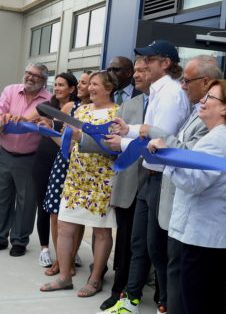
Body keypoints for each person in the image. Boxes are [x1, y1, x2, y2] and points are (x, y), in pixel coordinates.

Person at [148, 79, 226, 314]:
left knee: (196, 305)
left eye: (209, 98)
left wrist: (166, 156)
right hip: (205, 237)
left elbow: (194, 183)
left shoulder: (218, 140)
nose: (202, 102)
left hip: (204, 239)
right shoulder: (221, 137)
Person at [102, 40, 190, 314]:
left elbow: (161, 140)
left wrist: (124, 143)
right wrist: (128, 129)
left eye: (149, 61)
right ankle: (131, 299)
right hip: (150, 178)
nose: (143, 66)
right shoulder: (159, 93)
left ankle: (166, 304)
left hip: (162, 180)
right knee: (140, 244)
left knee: (158, 250)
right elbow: (148, 131)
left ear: (165, 63)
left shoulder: (171, 94)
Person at [147, 55, 223, 314]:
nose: (182, 86)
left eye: (186, 81)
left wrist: (155, 136)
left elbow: (190, 160)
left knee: (183, 284)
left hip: (193, 218)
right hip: (177, 213)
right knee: (169, 267)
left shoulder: (215, 124)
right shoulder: (197, 110)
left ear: (206, 81)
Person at [80, 58, 152, 310]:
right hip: (128, 184)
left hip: (158, 186)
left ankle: (160, 297)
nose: (138, 75)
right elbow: (111, 139)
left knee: (153, 247)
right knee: (125, 244)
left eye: (144, 70)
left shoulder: (173, 103)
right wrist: (80, 136)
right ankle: (120, 291)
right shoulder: (129, 104)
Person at [40, 71, 119, 298]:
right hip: (75, 178)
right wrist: (49, 131)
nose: (90, 88)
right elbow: (68, 144)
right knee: (64, 227)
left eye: (95, 85)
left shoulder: (117, 114)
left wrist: (78, 137)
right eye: (90, 84)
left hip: (101, 180)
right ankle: (64, 277)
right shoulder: (81, 111)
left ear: (109, 88)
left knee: (101, 231)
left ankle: (95, 279)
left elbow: (114, 146)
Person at [0, 62, 52, 257]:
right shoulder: (11, 91)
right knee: (0, 198)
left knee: (26, 201)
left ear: (44, 80)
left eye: (36, 76)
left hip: (30, 158)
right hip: (5, 153)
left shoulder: (49, 100)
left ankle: (20, 241)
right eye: (28, 73)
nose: (30, 77)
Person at [42, 71, 91, 277]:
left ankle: (70, 260)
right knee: (55, 213)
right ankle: (59, 261)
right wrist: (49, 132)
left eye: (86, 83)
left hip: (82, 168)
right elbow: (64, 144)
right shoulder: (70, 108)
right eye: (79, 82)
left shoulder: (97, 112)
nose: (80, 86)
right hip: (63, 164)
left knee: (75, 216)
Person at [30, 73, 78, 268]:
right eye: (55, 85)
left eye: (61, 85)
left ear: (72, 89)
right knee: (44, 205)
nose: (57, 88)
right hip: (44, 158)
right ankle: (44, 248)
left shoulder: (78, 110)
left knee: (63, 209)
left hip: (64, 161)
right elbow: (26, 119)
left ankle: (65, 251)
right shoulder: (47, 108)